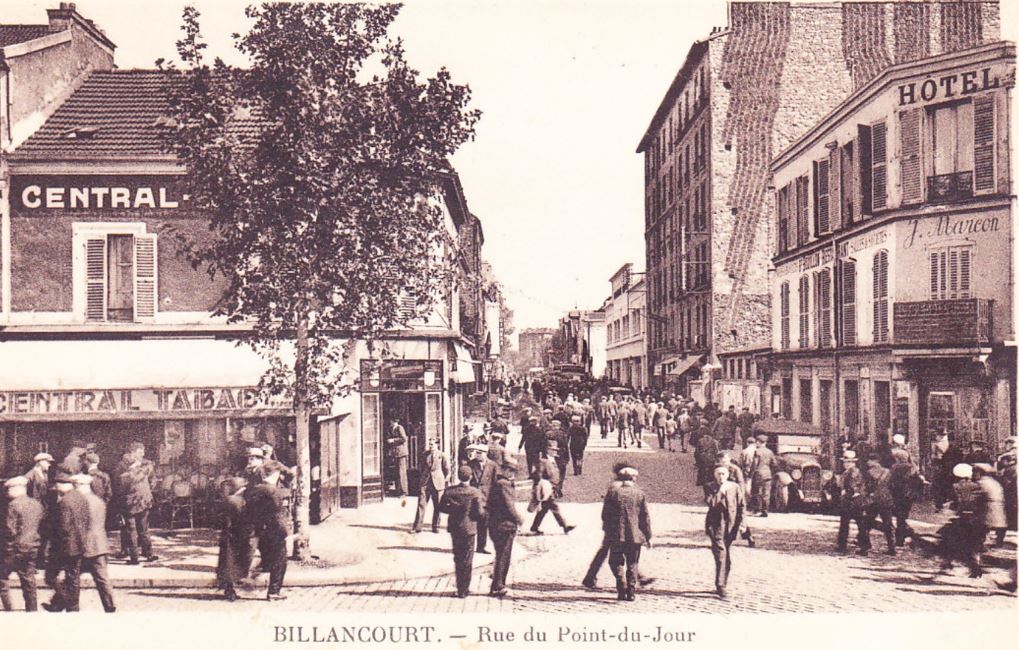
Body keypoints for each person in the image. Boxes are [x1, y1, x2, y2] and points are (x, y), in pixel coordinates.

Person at [47, 474, 116, 612]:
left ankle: (62, 604)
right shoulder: (99, 500)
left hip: (84, 544)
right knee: (101, 578)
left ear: (78, 485)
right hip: (99, 543)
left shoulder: (81, 501)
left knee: (72, 576)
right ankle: (109, 606)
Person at [600, 464, 651, 601]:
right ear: (632, 480)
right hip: (635, 535)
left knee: (615, 562)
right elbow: (644, 517)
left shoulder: (613, 493)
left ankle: (621, 585)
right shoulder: (639, 493)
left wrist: (609, 529)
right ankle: (631, 591)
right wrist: (648, 536)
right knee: (633, 563)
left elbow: (605, 514)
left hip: (617, 535)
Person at [438, 466, 485, 598]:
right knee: (468, 559)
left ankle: (459, 589)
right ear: (471, 477)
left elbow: (441, 508)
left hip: (455, 528)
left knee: (458, 558)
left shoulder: (450, 492)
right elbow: (480, 512)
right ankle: (465, 589)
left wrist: (453, 511)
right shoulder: (475, 492)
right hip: (469, 528)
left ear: (458, 476)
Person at [246, 466, 290, 601]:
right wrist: (285, 532)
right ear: (273, 475)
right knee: (280, 560)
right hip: (274, 531)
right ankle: (274, 591)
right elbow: (278, 516)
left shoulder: (253, 490)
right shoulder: (273, 491)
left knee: (265, 558)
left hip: (259, 530)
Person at [1, 476, 43, 612]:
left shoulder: (13, 505)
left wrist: (6, 550)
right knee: (29, 580)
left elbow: (10, 530)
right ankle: (32, 610)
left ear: (16, 489)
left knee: (2, 578)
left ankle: (9, 609)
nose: (7, 493)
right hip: (32, 546)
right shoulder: (37, 504)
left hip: (15, 548)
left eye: (8, 490)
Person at [704, 463, 745, 599]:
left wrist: (742, 524)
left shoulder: (734, 487)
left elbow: (741, 506)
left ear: (727, 475)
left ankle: (722, 583)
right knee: (721, 555)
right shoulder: (710, 487)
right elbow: (711, 503)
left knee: (726, 558)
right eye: (718, 474)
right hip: (716, 526)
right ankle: (721, 586)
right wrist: (720, 491)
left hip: (731, 526)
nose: (721, 477)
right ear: (715, 476)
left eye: (723, 474)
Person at [938, 463, 986, 578]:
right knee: (973, 544)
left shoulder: (956, 486)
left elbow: (956, 502)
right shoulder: (977, 486)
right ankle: (976, 566)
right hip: (976, 519)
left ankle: (947, 563)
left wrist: (947, 506)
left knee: (949, 540)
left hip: (962, 518)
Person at [115, 443, 158, 565]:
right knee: (132, 530)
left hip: (141, 501)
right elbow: (121, 483)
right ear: (132, 452)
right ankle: (137, 557)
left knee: (142, 529)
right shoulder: (124, 466)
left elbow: (152, 477)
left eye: (143, 452)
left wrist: (149, 487)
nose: (143, 454)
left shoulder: (143, 464)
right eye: (140, 452)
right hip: (131, 502)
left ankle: (146, 554)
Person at [487, 455, 523, 597]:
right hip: (504, 525)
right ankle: (498, 585)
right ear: (506, 470)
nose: (513, 475)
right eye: (512, 471)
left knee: (501, 555)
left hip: (496, 523)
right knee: (503, 556)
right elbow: (509, 505)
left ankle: (497, 583)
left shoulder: (498, 482)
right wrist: (519, 519)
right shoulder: (504, 484)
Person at [216, 477, 251, 601]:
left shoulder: (228, 500)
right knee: (230, 563)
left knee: (227, 562)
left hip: (228, 535)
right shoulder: (237, 501)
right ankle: (229, 591)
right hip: (234, 535)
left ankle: (228, 589)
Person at [529, 441, 574, 536]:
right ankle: (565, 526)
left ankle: (534, 527)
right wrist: (539, 488)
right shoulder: (543, 461)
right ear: (547, 450)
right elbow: (538, 475)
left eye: (555, 450)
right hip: (546, 489)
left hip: (551, 488)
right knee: (554, 507)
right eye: (553, 450)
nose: (555, 452)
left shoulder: (552, 460)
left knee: (544, 510)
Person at [835, 451, 871, 555]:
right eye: (845, 461)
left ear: (853, 462)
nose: (846, 463)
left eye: (848, 462)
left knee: (857, 524)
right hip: (850, 501)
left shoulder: (853, 472)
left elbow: (852, 487)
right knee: (848, 524)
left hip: (853, 501)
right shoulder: (848, 471)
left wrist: (846, 494)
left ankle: (863, 546)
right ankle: (843, 544)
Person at [412, 439, 449, 534]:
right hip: (426, 483)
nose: (430, 446)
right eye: (429, 444)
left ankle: (436, 526)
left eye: (432, 444)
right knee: (421, 504)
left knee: (438, 506)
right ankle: (417, 527)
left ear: (437, 445)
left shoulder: (442, 455)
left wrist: (444, 480)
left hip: (437, 483)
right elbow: (420, 467)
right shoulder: (425, 455)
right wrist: (422, 478)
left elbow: (447, 470)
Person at [889, 450, 925, 546]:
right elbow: (918, 482)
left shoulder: (895, 467)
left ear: (897, 458)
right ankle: (904, 535)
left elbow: (891, 481)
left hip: (898, 494)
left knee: (899, 517)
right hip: (909, 495)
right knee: (903, 516)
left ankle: (901, 538)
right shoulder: (912, 467)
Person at [24, 452, 53, 566]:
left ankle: (40, 560)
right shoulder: (30, 476)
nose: (49, 465)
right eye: (47, 462)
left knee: (43, 535)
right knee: (34, 536)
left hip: (43, 510)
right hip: (33, 510)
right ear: (40, 462)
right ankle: (33, 562)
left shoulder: (44, 474)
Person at [863, 458, 896, 555]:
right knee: (888, 524)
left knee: (866, 523)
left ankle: (865, 547)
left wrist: (868, 495)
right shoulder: (888, 472)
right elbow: (893, 486)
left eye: (870, 460)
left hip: (874, 501)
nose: (868, 462)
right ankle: (892, 548)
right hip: (886, 500)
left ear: (874, 461)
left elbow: (867, 487)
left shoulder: (869, 473)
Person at [973, 464, 1008, 547]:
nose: (973, 474)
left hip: (989, 506)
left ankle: (979, 544)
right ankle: (999, 542)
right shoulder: (995, 482)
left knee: (981, 525)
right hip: (999, 505)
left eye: (975, 472)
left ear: (980, 473)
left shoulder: (981, 483)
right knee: (1000, 525)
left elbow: (976, 496)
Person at [749, 435, 776, 517]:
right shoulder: (770, 452)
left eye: (757, 442)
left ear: (759, 442)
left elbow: (754, 464)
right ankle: (765, 511)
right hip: (767, 474)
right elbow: (774, 463)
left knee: (756, 492)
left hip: (758, 473)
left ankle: (757, 510)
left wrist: (750, 473)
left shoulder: (757, 451)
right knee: (766, 493)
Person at [387, 420, 410, 499]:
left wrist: (393, 440)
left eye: (391, 421)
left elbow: (404, 439)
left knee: (401, 472)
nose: (390, 423)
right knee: (396, 473)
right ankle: (398, 491)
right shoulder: (391, 429)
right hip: (395, 453)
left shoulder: (400, 428)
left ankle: (404, 492)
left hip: (401, 453)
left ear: (394, 421)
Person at [694, 430, 720, 499]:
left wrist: (697, 462)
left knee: (703, 478)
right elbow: (717, 452)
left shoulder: (700, 440)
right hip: (711, 461)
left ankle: (706, 495)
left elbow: (696, 452)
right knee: (711, 478)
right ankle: (712, 494)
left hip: (703, 461)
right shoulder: (714, 441)